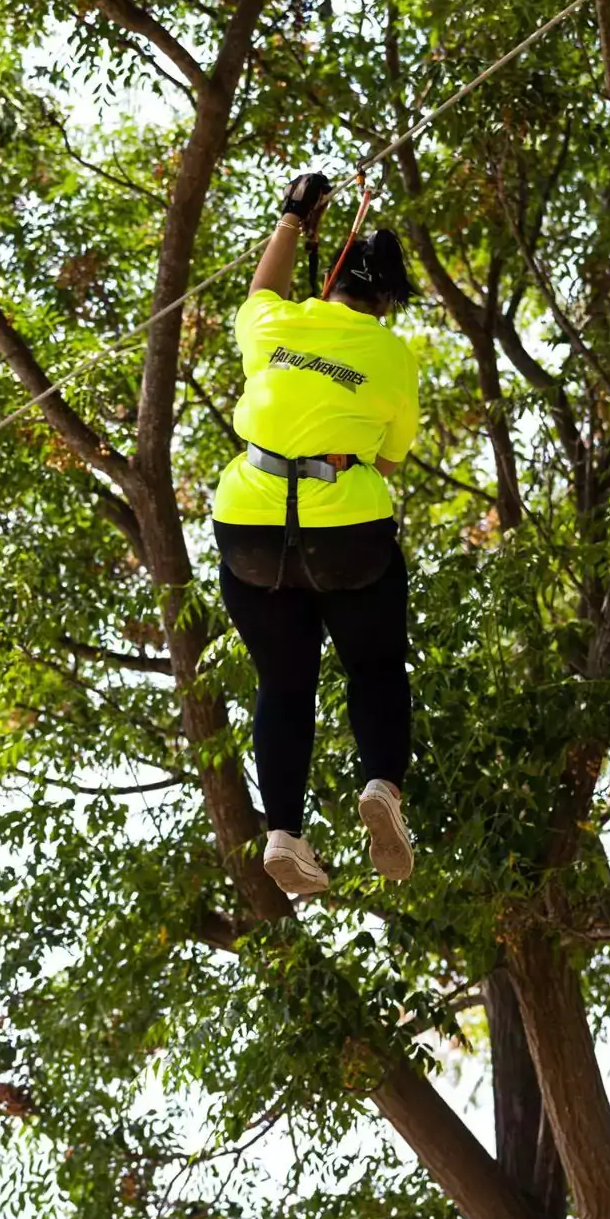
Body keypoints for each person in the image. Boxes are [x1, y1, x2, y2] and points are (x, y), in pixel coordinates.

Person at [212, 172, 420, 897]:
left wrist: (294, 219)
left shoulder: (272, 325)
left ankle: (284, 834)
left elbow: (257, 292)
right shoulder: (394, 356)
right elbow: (390, 458)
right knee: (374, 667)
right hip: (347, 534)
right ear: (388, 303)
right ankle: (381, 788)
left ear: (329, 280)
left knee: (284, 682)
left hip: (249, 526)